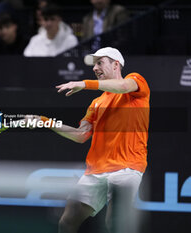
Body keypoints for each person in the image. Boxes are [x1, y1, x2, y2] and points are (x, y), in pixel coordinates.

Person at [25, 47, 150, 233]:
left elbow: (122, 86)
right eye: (94, 64)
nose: (95, 68)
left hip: (127, 168)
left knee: (114, 225)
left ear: (116, 64)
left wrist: (84, 84)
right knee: (67, 222)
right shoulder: (96, 103)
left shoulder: (135, 82)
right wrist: (45, 122)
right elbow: (80, 134)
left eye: (100, 63)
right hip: (96, 170)